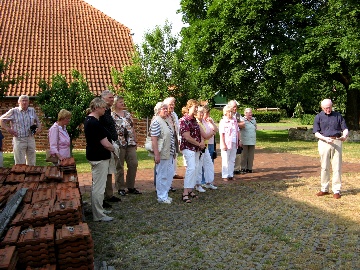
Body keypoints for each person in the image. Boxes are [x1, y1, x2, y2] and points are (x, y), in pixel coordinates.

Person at [84, 97, 116, 222]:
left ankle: (99, 209)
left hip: (95, 155)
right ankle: (98, 215)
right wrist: (114, 149)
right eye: (103, 107)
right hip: (99, 156)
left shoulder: (90, 120)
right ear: (96, 108)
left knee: (96, 186)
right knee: (99, 187)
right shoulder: (94, 123)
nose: (105, 110)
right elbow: (105, 143)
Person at [313, 99, 348, 199]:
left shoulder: (338, 116)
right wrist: (325, 138)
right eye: (325, 108)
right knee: (324, 166)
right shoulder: (318, 117)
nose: (328, 110)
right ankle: (324, 189)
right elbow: (316, 132)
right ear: (322, 108)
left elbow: (344, 128)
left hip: (337, 141)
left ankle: (336, 190)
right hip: (324, 142)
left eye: (329, 107)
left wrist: (345, 135)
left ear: (332, 106)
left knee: (337, 167)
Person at [111, 95, 141, 196]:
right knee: (119, 165)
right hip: (119, 143)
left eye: (123, 102)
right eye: (120, 102)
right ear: (115, 103)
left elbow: (132, 128)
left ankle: (131, 186)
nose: (122, 104)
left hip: (130, 142)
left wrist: (135, 140)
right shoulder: (111, 115)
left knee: (133, 163)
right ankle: (120, 188)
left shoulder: (127, 114)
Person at [0, 95, 42, 166]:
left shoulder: (32, 110)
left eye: (26, 100)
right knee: (20, 163)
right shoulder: (14, 111)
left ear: (29, 102)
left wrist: (39, 128)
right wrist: (8, 129)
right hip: (19, 139)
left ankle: (30, 176)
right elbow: (1, 120)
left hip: (30, 138)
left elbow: (38, 121)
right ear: (19, 102)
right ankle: (20, 177)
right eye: (23, 100)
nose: (24, 102)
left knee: (32, 162)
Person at [179, 99, 205, 203]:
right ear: (189, 107)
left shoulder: (194, 120)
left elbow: (200, 133)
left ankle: (190, 189)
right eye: (195, 107)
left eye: (197, 107)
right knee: (191, 168)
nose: (196, 109)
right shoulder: (183, 120)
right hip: (188, 147)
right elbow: (187, 137)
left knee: (196, 168)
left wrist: (202, 142)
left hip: (196, 148)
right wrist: (199, 143)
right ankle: (185, 192)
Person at [150, 102, 176, 203]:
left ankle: (165, 193)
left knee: (169, 173)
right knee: (162, 174)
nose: (166, 110)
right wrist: (156, 154)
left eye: (166, 108)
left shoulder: (165, 121)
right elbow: (154, 139)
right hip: (162, 153)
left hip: (169, 152)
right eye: (163, 109)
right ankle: (161, 196)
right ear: (158, 110)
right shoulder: (156, 121)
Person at [99, 90, 121, 207]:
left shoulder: (107, 111)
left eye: (113, 98)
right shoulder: (101, 112)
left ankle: (109, 194)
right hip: (103, 145)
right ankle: (101, 198)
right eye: (110, 98)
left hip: (110, 143)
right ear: (103, 98)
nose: (112, 100)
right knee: (103, 172)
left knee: (109, 170)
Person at [195, 106, 217, 192]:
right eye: (199, 112)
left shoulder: (204, 121)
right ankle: (198, 184)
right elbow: (205, 136)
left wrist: (211, 132)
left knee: (209, 164)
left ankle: (209, 182)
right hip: (200, 147)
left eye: (202, 112)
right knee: (199, 166)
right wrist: (212, 133)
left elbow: (215, 130)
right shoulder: (197, 123)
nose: (201, 114)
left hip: (206, 146)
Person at [163, 97, 182, 192]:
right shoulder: (163, 114)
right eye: (171, 104)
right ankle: (161, 186)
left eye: (173, 104)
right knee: (164, 165)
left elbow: (177, 128)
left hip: (174, 140)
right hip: (165, 143)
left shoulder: (174, 114)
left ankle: (169, 184)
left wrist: (178, 139)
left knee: (172, 163)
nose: (172, 106)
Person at [219, 104, 241, 181]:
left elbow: (237, 131)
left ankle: (230, 174)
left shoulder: (234, 120)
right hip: (226, 142)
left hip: (234, 141)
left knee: (232, 159)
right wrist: (223, 144)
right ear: (225, 113)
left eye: (231, 112)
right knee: (225, 159)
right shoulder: (223, 121)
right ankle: (225, 175)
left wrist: (239, 140)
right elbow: (221, 134)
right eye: (229, 112)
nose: (231, 114)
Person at [228, 100, 245, 174]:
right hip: (229, 138)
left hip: (238, 136)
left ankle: (236, 169)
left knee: (238, 153)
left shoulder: (238, 115)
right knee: (230, 154)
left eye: (236, 107)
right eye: (234, 107)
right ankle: (229, 170)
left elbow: (243, 124)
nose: (235, 108)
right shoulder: (227, 114)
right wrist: (237, 124)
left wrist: (235, 124)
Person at [240, 108, 257, 173]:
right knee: (244, 154)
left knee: (251, 155)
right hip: (244, 140)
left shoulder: (254, 120)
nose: (250, 114)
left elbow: (255, 127)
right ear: (245, 113)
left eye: (251, 112)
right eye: (248, 112)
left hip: (252, 140)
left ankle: (249, 168)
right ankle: (243, 168)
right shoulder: (242, 120)